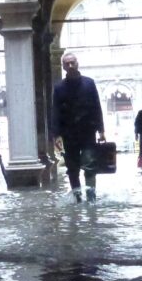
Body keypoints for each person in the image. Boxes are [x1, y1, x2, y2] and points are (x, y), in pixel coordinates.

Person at [50, 52, 105, 203]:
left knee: (90, 164)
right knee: (72, 168)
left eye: (72, 62)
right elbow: (56, 111)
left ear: (77, 63)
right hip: (69, 134)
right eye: (67, 63)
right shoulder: (59, 88)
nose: (70, 65)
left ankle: (91, 197)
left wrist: (101, 130)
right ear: (63, 67)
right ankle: (78, 197)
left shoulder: (89, 83)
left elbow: (96, 107)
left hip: (88, 131)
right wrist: (55, 135)